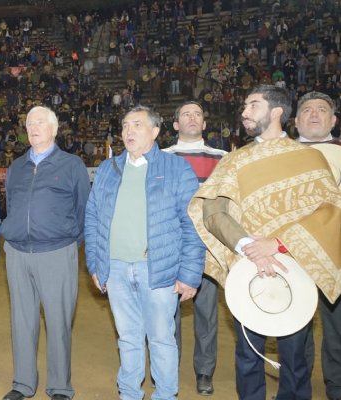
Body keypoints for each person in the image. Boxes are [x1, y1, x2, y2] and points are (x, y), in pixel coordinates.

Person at [189, 85, 341, 400]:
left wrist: (279, 243)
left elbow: (331, 211)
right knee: (247, 356)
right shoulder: (235, 160)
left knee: (296, 358)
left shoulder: (309, 157)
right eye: (245, 105)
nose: (244, 111)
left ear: (276, 112)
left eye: (253, 105)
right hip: (248, 268)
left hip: (295, 268)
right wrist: (246, 245)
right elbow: (212, 211)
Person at [85, 105, 204, 400]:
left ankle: (165, 395)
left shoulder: (176, 168)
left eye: (137, 125)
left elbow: (192, 224)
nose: (128, 131)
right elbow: (92, 218)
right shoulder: (107, 169)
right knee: (128, 338)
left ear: (154, 131)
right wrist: (95, 264)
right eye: (125, 125)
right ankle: (129, 394)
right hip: (115, 269)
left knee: (162, 339)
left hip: (158, 269)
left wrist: (190, 274)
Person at [0, 106, 90, 400]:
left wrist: (67, 243)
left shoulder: (72, 165)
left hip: (57, 252)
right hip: (17, 253)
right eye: (29, 123)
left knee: (58, 321)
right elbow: (11, 207)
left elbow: (83, 210)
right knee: (21, 321)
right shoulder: (17, 167)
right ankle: (23, 383)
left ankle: (60, 387)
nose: (33, 127)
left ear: (54, 128)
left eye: (40, 122)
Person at [164, 101, 227, 396]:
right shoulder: (161, 158)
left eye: (198, 114)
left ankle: (204, 372)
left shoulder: (223, 158)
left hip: (208, 250)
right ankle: (168, 370)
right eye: (185, 115)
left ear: (204, 124)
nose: (192, 118)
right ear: (176, 125)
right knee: (166, 316)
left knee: (206, 316)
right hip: (170, 250)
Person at [294, 91, 341, 400]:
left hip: (337, 250)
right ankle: (296, 389)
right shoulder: (279, 154)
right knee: (294, 327)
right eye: (307, 110)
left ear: (333, 120)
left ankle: (337, 389)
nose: (313, 114)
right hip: (293, 252)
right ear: (295, 121)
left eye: (321, 110)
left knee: (337, 330)